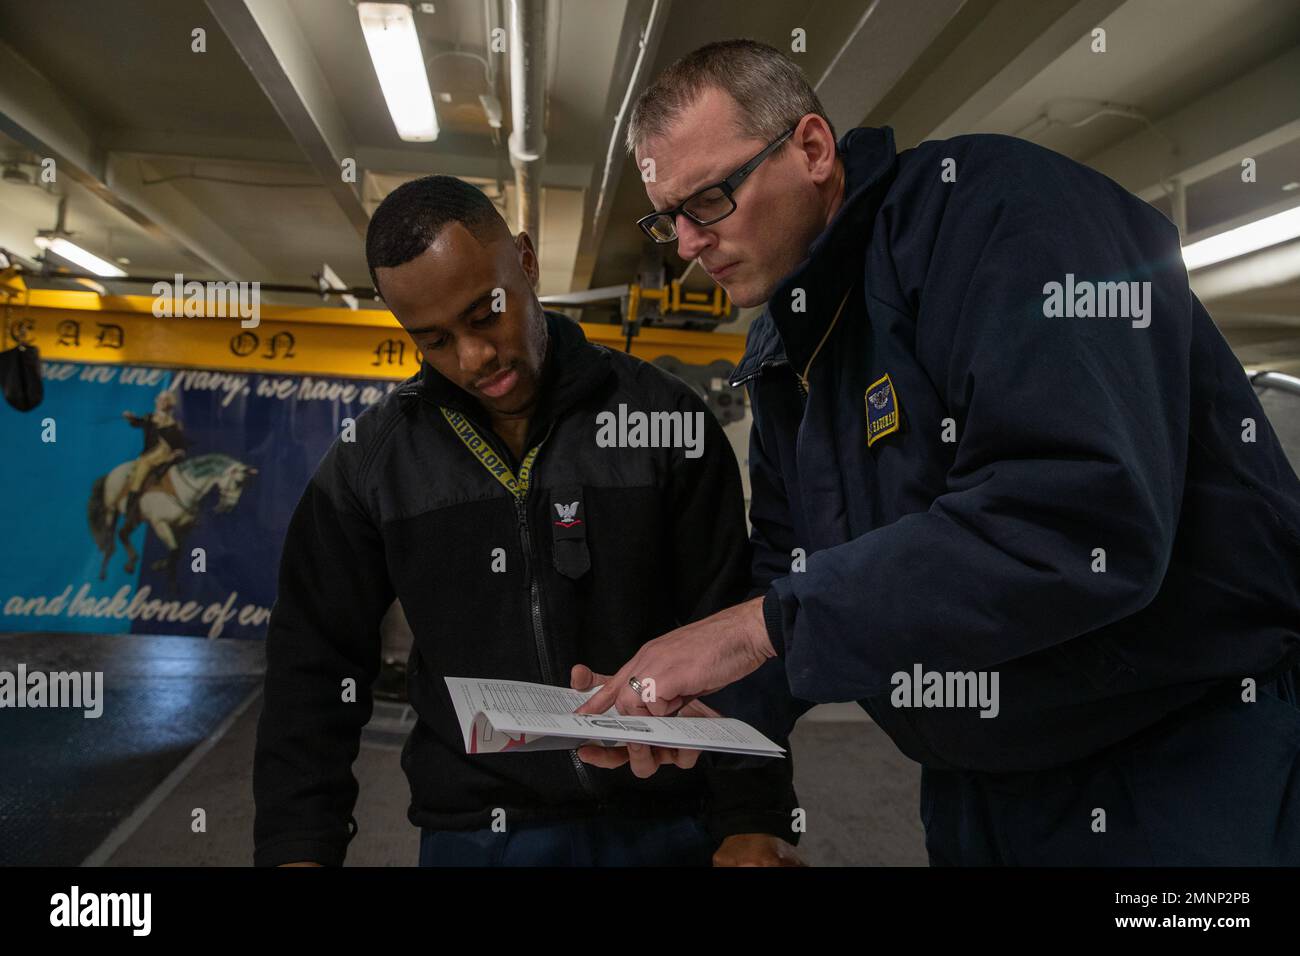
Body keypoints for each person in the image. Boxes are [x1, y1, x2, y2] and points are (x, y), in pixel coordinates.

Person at [577, 39, 1300, 865]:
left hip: (1173, 766)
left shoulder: (1001, 218)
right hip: (973, 780)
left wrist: (755, 630)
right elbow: (794, 567)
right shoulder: (788, 343)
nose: (686, 243)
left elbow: (1075, 523)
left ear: (811, 149)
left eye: (708, 199)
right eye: (665, 216)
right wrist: (717, 707)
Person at [252, 174, 803, 867]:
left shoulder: (665, 423)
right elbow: (312, 661)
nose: (474, 358)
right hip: (475, 834)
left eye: (486, 315)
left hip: (665, 815)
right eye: (435, 341)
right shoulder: (373, 465)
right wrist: (297, 846)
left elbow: (733, 625)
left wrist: (752, 817)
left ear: (527, 261)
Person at [113, 390, 186, 520]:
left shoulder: (174, 423)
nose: (161, 402)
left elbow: (179, 442)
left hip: (167, 457)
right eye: (160, 399)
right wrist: (131, 417)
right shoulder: (149, 418)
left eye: (165, 400)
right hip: (150, 456)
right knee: (139, 477)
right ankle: (131, 509)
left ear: (169, 404)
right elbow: (138, 422)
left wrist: (179, 451)